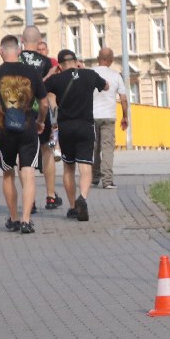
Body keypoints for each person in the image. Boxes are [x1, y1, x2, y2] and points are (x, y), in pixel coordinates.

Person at [0, 34, 50, 234]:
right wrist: (40, 121)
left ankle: (14, 218)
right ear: (19, 51)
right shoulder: (32, 73)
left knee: (8, 173)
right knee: (28, 174)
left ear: (1, 51)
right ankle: (27, 220)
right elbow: (44, 103)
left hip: (5, 133)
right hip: (28, 130)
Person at [45, 50, 109, 223]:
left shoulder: (57, 79)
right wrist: (85, 69)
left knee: (68, 168)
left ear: (59, 65)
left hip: (66, 128)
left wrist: (51, 74)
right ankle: (83, 197)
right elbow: (106, 86)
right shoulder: (89, 75)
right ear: (76, 61)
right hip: (86, 126)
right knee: (85, 165)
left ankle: (73, 207)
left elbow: (39, 89)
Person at [20, 25, 62, 212]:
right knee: (47, 151)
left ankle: (31, 201)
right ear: (39, 43)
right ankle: (51, 196)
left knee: (24, 155)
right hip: (40, 111)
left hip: (19, 113)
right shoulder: (46, 63)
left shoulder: (15, 61)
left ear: (22, 41)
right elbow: (46, 91)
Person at [89, 48, 128, 188]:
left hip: (92, 116)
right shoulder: (116, 76)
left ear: (98, 58)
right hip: (109, 117)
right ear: (111, 60)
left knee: (93, 148)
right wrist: (125, 117)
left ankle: (94, 177)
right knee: (107, 148)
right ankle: (107, 181)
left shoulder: (90, 73)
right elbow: (123, 99)